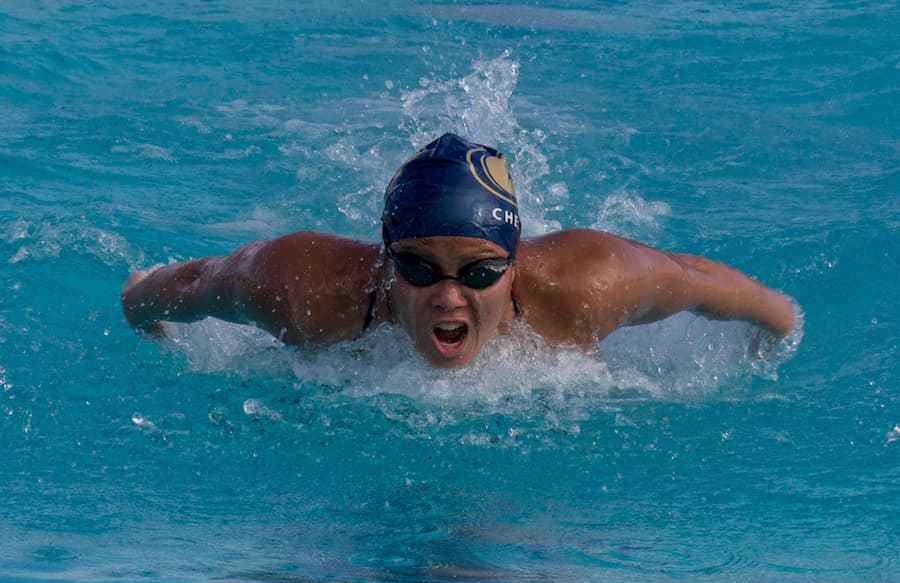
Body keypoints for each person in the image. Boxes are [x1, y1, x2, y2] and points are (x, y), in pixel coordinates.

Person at [121, 133, 797, 369]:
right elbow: (191, 283)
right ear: (385, 261)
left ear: (513, 264)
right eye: (418, 268)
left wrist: (776, 330)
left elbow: (700, 280)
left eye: (477, 272)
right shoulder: (305, 291)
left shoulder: (588, 287)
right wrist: (141, 313)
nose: (448, 296)